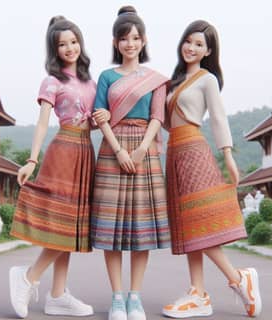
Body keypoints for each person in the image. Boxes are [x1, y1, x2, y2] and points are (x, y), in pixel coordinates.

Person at [162, 20, 262, 318]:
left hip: (194, 151)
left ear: (207, 51)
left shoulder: (206, 80)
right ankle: (198, 292)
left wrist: (228, 156)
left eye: (199, 44)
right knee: (188, 226)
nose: (191, 48)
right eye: (188, 41)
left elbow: (218, 118)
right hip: (174, 153)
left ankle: (237, 278)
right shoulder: (174, 82)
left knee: (198, 224)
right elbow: (164, 122)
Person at [9, 16, 99, 318]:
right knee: (61, 225)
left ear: (80, 43)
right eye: (62, 44)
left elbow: (95, 121)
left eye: (73, 42)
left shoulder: (90, 82)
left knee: (72, 228)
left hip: (86, 153)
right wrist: (32, 160)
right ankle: (28, 277)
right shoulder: (52, 81)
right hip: (63, 152)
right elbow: (43, 122)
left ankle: (58, 294)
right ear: (54, 49)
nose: (69, 48)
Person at [91, 5, 170, 320]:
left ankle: (134, 297)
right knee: (111, 228)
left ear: (144, 40)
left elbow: (157, 118)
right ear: (115, 42)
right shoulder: (107, 76)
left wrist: (138, 151)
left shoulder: (155, 79)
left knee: (141, 228)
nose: (130, 44)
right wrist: (120, 151)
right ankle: (116, 298)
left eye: (135, 38)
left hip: (146, 152)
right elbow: (99, 117)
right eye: (124, 38)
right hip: (112, 150)